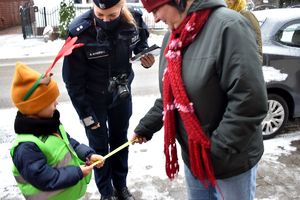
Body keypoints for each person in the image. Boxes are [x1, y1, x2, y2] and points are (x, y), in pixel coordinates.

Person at [132, 0, 268, 200]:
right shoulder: (172, 36)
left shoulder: (229, 27)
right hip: (194, 159)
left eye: (156, 9)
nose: (156, 18)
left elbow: (250, 101)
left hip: (230, 164)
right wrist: (146, 126)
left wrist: (213, 152)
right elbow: (172, 95)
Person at [62, 0, 155, 199]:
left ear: (122, 7)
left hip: (121, 94)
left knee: (120, 141)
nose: (105, 20)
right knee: (99, 148)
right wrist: (86, 116)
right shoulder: (80, 30)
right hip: (92, 100)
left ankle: (121, 186)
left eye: (112, 15)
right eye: (100, 15)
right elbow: (73, 83)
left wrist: (144, 57)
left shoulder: (134, 20)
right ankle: (106, 193)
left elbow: (141, 44)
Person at [10, 62, 104, 200]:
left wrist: (88, 155)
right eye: (51, 101)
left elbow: (71, 144)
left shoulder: (51, 126)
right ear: (35, 108)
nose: (56, 104)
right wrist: (77, 173)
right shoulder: (26, 147)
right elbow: (44, 178)